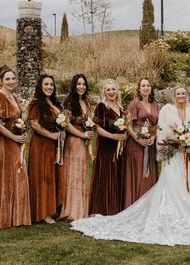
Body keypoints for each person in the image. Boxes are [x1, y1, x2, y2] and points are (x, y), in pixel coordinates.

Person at [71, 86, 190, 246]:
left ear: (187, 96)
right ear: (174, 96)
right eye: (178, 94)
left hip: (185, 154)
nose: (181, 96)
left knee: (189, 181)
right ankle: (168, 214)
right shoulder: (167, 110)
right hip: (172, 154)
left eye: (183, 94)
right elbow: (162, 131)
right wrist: (174, 143)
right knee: (171, 182)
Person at [0, 65, 31, 228]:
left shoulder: (13, 97)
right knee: (9, 176)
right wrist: (14, 136)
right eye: (7, 79)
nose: (11, 81)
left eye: (13, 78)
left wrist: (22, 130)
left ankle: (19, 216)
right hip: (6, 142)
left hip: (15, 140)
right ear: (1, 81)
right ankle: (7, 216)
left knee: (19, 174)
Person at [27, 74, 63, 224]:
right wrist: (51, 136)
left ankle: (50, 208)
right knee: (42, 176)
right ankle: (42, 212)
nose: (49, 87)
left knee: (51, 175)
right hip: (42, 144)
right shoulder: (36, 104)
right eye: (46, 84)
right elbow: (34, 124)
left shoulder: (54, 102)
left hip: (54, 144)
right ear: (40, 86)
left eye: (51, 84)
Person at [89, 79, 128, 215]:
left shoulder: (122, 109)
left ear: (117, 91)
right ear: (104, 92)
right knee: (106, 177)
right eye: (108, 90)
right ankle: (104, 209)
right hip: (106, 148)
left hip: (119, 149)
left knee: (117, 175)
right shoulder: (101, 107)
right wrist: (112, 137)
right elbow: (96, 127)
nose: (111, 92)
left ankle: (116, 208)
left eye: (113, 89)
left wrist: (123, 135)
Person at [59, 74, 94, 221]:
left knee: (82, 172)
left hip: (83, 141)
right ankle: (72, 210)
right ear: (74, 86)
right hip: (73, 141)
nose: (81, 86)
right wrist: (82, 135)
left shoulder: (86, 102)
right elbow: (66, 124)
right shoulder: (68, 102)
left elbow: (89, 120)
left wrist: (89, 129)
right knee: (73, 173)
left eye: (83, 84)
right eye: (78, 84)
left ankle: (82, 208)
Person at [123, 78, 160, 208]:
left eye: (148, 85)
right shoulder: (134, 104)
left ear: (151, 88)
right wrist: (138, 139)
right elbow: (128, 125)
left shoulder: (156, 104)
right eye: (143, 85)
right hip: (136, 145)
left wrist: (154, 136)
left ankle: (150, 205)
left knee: (150, 173)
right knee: (139, 173)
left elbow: (158, 124)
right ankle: (136, 204)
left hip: (150, 144)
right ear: (139, 88)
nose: (145, 87)